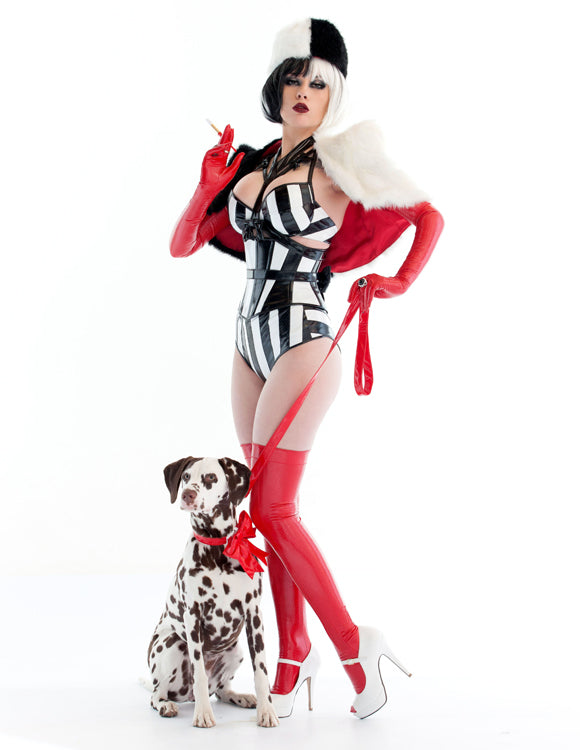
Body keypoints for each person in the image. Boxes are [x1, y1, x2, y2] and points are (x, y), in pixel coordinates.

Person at [169, 18, 443, 719]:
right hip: (248, 340)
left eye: (318, 83)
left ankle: (354, 646)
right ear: (275, 84)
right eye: (293, 77)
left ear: (333, 94)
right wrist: (206, 187)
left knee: (271, 508)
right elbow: (182, 245)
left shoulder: (341, 162)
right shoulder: (251, 165)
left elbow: (427, 216)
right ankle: (292, 653)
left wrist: (395, 283)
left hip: (303, 338)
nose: (303, 91)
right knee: (266, 505)